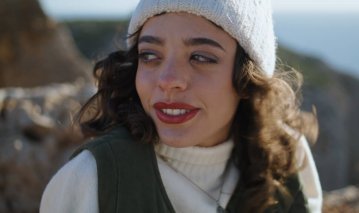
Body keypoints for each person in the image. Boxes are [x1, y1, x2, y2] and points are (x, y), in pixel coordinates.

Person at [40, 0, 322, 212]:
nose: (169, 80)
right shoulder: (91, 178)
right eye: (150, 55)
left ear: (247, 77)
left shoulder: (287, 157)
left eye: (200, 57)